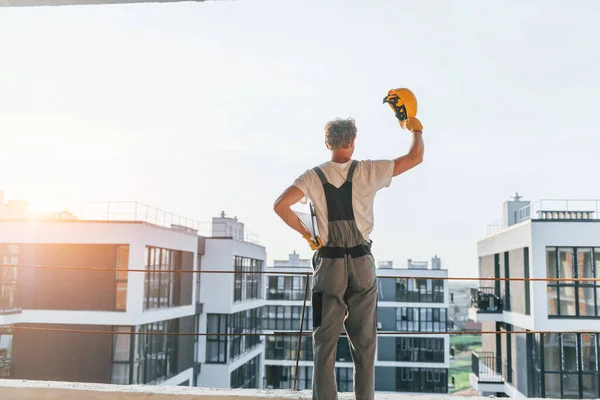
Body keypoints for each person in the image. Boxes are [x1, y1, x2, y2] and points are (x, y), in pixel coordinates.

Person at [273, 114, 424, 400]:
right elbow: (415, 156)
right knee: (365, 345)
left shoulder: (312, 176)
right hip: (362, 263)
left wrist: (308, 235)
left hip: (328, 265)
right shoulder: (369, 170)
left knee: (324, 345)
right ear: (352, 142)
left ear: (327, 142)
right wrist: (414, 125)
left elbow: (281, 206)